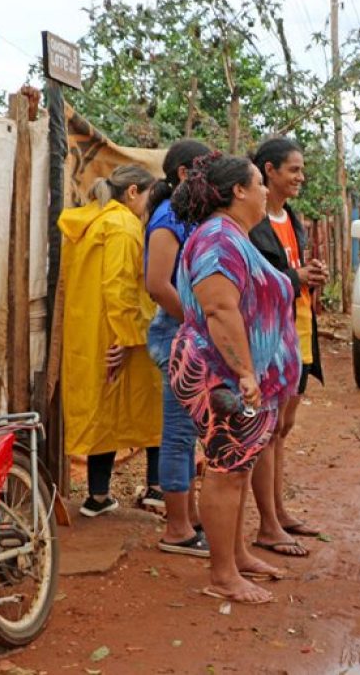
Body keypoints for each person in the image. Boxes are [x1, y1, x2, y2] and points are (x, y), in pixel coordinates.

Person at [170, 152, 302, 604]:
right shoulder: (217, 238)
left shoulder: (234, 237)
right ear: (238, 191)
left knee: (239, 466)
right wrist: (245, 371)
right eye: (258, 184)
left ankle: (239, 553)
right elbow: (219, 308)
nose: (267, 191)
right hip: (220, 374)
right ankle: (222, 575)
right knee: (226, 469)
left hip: (242, 375)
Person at [58, 165, 163, 518]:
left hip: (88, 332)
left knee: (101, 412)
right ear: (133, 192)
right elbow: (119, 288)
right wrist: (130, 336)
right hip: (118, 334)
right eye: (148, 197)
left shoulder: (90, 221)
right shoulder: (122, 226)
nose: (149, 207)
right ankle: (158, 490)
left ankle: (98, 496)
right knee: (153, 409)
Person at [247, 138, 328, 557]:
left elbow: (291, 273)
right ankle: (267, 523)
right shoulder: (253, 222)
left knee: (283, 428)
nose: (300, 177)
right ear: (269, 170)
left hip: (298, 329)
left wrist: (311, 276)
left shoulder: (290, 217)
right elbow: (264, 279)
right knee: (267, 430)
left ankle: (278, 512)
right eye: (293, 170)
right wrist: (298, 277)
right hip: (270, 337)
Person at [145, 139, 213, 556]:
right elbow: (157, 284)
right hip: (176, 335)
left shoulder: (185, 214)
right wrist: (194, 321)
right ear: (186, 174)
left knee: (186, 432)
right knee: (178, 434)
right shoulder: (168, 216)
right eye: (205, 172)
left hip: (185, 333)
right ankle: (176, 529)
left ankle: (187, 519)